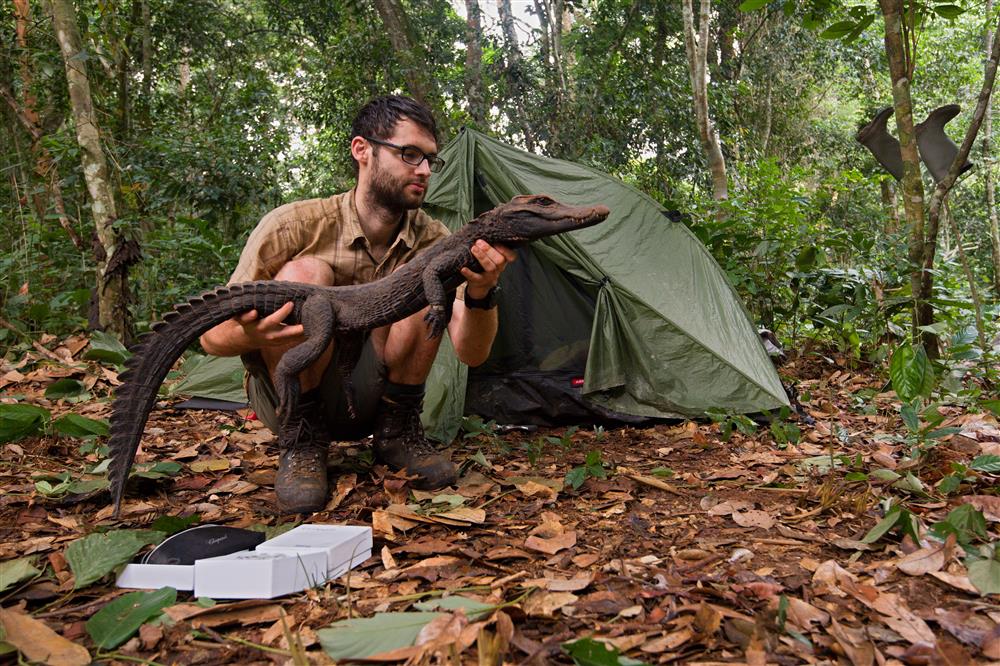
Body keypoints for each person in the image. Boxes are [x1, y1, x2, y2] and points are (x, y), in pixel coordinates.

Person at [199, 95, 515, 513]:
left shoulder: (435, 240)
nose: (422, 170)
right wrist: (250, 333)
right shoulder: (293, 226)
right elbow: (210, 338)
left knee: (426, 279)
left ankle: (398, 432)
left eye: (429, 160)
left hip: (378, 395)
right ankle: (302, 442)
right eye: (409, 154)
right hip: (290, 395)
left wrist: (482, 292)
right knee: (304, 278)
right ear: (362, 150)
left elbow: (471, 353)